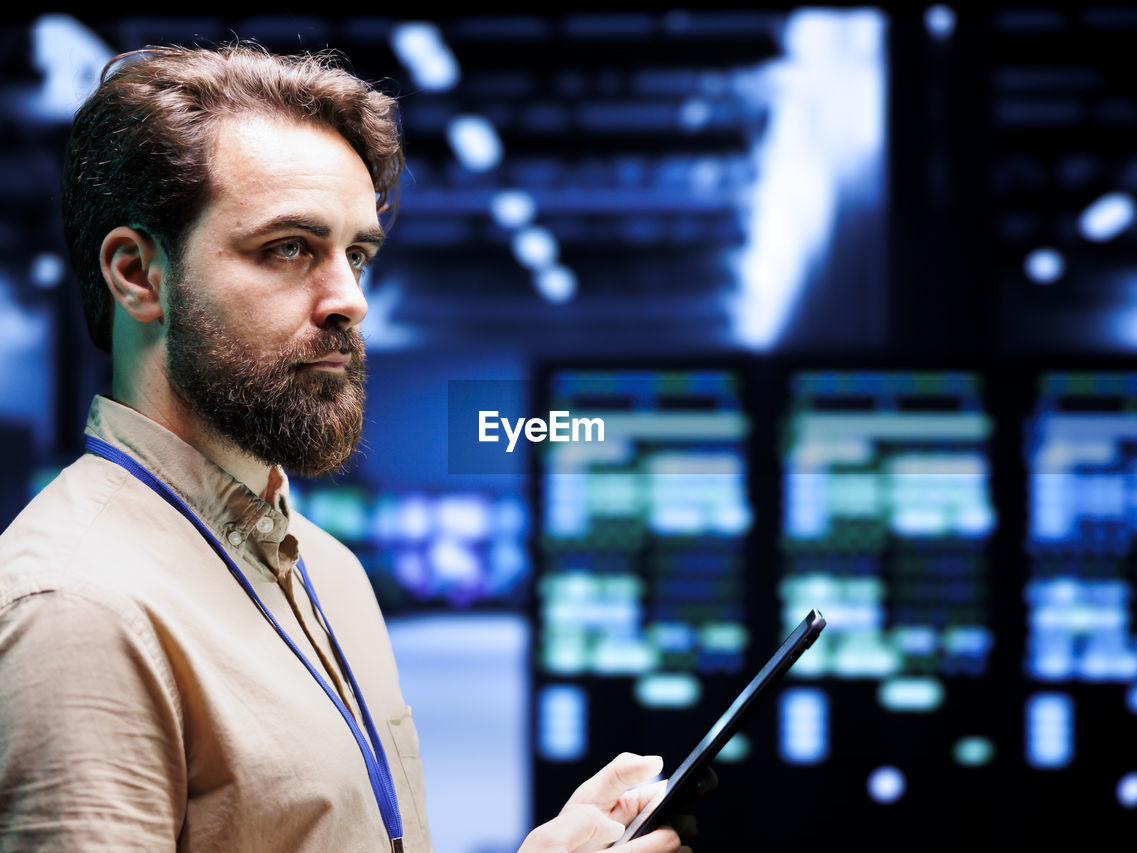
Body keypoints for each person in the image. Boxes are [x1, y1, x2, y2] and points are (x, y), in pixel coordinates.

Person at [0, 43, 689, 853]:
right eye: (289, 248)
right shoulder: (79, 610)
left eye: (356, 254)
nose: (351, 301)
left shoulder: (329, 571)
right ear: (139, 275)